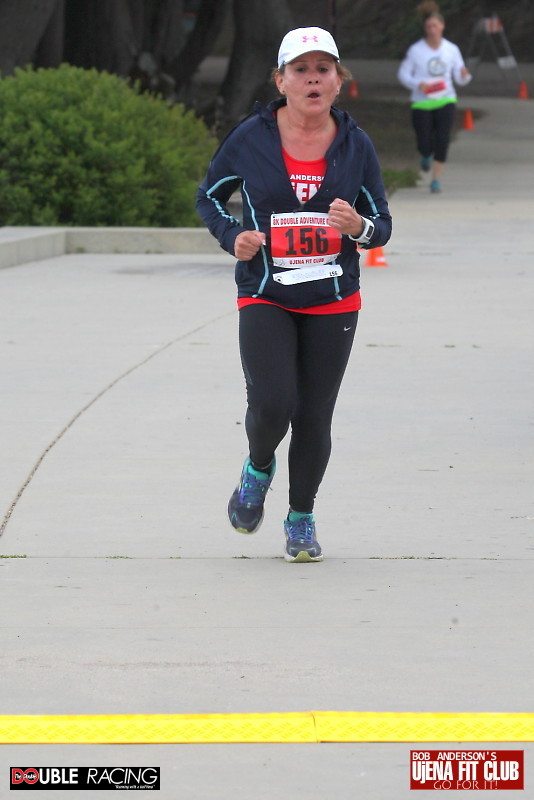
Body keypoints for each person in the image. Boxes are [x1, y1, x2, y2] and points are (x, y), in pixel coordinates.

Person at [196, 26, 392, 562]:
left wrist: (358, 227)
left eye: (323, 69)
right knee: (272, 404)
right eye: (300, 70)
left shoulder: (356, 145)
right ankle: (258, 466)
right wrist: (232, 237)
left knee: (313, 415)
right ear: (281, 81)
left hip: (334, 298)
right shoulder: (250, 138)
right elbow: (209, 197)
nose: (312, 79)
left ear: (338, 82)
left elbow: (381, 224)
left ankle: (301, 518)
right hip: (266, 291)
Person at [397, 0, 472, 193]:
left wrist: (464, 75)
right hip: (421, 102)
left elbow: (459, 77)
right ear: (425, 29)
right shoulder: (416, 50)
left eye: (435, 26)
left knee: (442, 140)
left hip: (446, 99)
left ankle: (436, 180)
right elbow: (403, 74)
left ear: (442, 26)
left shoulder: (451, 50)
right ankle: (425, 155)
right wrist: (418, 84)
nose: (432, 30)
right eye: (429, 26)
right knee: (424, 142)